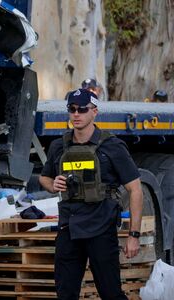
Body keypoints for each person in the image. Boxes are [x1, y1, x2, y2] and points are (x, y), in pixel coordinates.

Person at [38, 89, 143, 300]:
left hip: (101, 228)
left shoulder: (112, 146)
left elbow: (136, 189)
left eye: (82, 109)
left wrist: (134, 236)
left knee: (111, 293)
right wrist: (53, 184)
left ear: (94, 112)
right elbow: (44, 177)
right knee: (65, 294)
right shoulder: (59, 146)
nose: (76, 114)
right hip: (69, 228)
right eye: (72, 109)